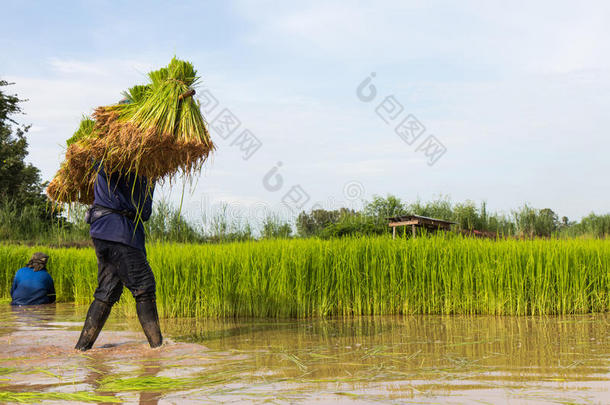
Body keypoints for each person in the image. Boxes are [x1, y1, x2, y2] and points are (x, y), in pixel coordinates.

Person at [74, 163, 162, 351]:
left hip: (103, 231)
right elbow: (144, 212)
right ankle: (158, 350)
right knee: (144, 286)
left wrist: (148, 181)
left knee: (108, 290)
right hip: (119, 232)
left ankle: (81, 349)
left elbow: (145, 214)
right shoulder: (115, 159)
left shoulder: (143, 175)